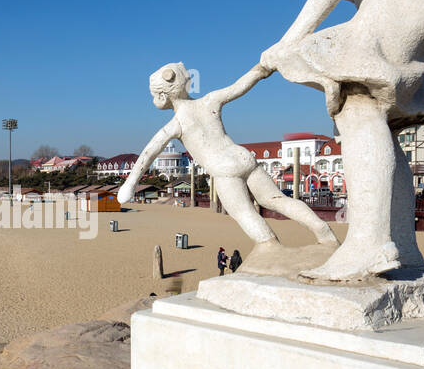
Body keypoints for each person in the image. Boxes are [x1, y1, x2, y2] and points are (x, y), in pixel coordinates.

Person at [256, 0, 424, 281]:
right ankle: (402, 244)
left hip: (398, 1)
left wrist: (290, 40)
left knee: (355, 103)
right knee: (381, 119)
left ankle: (369, 244)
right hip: (405, 3)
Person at [118, 63, 339, 252]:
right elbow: (239, 87)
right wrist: (262, 69)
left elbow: (148, 153)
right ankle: (323, 231)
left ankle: (270, 246)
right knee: (277, 200)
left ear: (163, 95)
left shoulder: (176, 124)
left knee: (243, 212)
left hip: (224, 170)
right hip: (243, 157)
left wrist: (130, 184)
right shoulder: (209, 101)